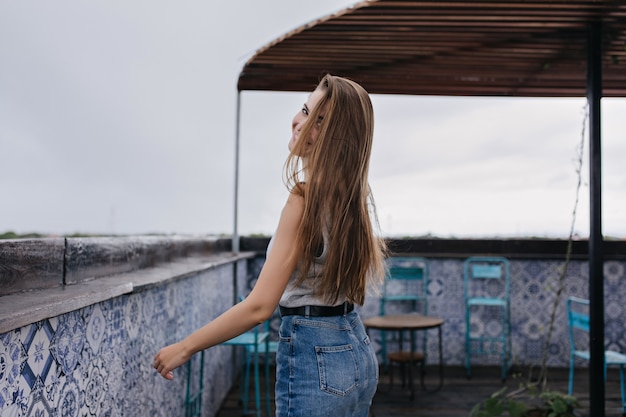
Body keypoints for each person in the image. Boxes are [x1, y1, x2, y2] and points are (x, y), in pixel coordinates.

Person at [153, 74, 387, 417]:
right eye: (305, 109)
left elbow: (259, 307)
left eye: (317, 120)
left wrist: (185, 348)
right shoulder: (352, 202)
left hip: (316, 355)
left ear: (337, 138)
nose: (299, 121)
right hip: (356, 348)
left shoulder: (303, 201)